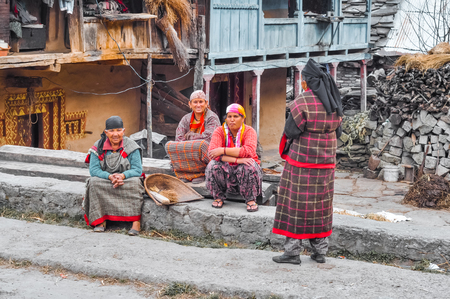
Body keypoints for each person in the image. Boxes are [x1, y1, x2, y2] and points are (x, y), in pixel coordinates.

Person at [272, 58, 343, 265]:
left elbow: (291, 131)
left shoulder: (301, 102)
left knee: (294, 206)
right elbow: (337, 132)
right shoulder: (335, 102)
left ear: (307, 82)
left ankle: (292, 253)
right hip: (326, 164)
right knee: (320, 206)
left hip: (301, 164)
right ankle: (320, 251)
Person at [84, 116, 144, 236]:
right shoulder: (98, 147)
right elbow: (94, 170)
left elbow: (137, 170)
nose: (115, 134)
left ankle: (135, 222)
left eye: (118, 130)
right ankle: (100, 221)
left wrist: (122, 175)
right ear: (106, 132)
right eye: (111, 131)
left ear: (123, 131)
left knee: (135, 183)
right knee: (94, 182)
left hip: (126, 180)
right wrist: (110, 177)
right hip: (107, 180)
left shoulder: (131, 146)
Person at [206, 103, 262, 212]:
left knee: (249, 166)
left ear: (243, 118)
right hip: (227, 169)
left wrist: (222, 150)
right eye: (229, 116)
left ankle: (250, 199)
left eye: (236, 116)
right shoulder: (219, 131)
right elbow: (213, 154)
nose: (232, 119)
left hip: (243, 169)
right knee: (212, 165)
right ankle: (218, 197)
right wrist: (238, 160)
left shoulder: (249, 131)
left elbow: (248, 151)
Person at [165, 90, 221, 184]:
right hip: (189, 148)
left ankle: (201, 173)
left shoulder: (212, 117)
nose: (198, 105)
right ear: (190, 104)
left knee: (201, 145)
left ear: (206, 103)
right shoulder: (186, 118)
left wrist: (190, 137)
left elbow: (209, 137)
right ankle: (185, 173)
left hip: (205, 149)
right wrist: (191, 140)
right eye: (195, 102)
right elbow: (179, 137)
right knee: (169, 145)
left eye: (201, 102)